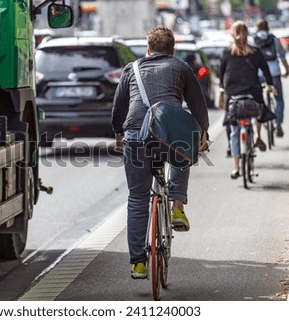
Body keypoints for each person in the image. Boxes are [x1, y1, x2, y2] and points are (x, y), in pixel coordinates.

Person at [112, 26, 209, 279]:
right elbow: (198, 105)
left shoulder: (130, 69)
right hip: (166, 133)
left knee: (137, 197)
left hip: (135, 134)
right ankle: (177, 204)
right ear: (172, 50)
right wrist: (203, 133)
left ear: (148, 49)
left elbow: (119, 107)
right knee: (183, 139)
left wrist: (118, 134)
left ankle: (138, 264)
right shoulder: (181, 68)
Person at [219, 21, 276, 179]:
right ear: (248, 33)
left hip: (233, 94)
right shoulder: (256, 52)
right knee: (260, 110)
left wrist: (222, 88)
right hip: (253, 92)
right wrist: (270, 84)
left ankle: (236, 167)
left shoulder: (227, 52)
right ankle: (257, 137)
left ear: (232, 34)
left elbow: (221, 74)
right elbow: (265, 71)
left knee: (234, 129)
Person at [254, 19, 289, 138]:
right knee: (278, 99)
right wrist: (287, 70)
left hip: (258, 74)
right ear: (268, 28)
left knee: (258, 99)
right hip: (274, 73)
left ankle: (261, 116)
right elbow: (282, 57)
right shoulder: (274, 39)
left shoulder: (253, 40)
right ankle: (278, 123)